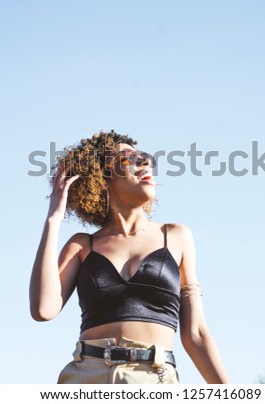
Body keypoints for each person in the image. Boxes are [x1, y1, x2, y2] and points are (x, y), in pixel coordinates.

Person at [29, 129, 229, 384]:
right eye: (128, 157)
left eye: (144, 157)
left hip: (154, 378)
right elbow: (43, 309)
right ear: (102, 180)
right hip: (85, 377)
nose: (144, 162)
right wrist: (53, 220)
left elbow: (196, 335)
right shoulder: (83, 245)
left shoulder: (176, 236)